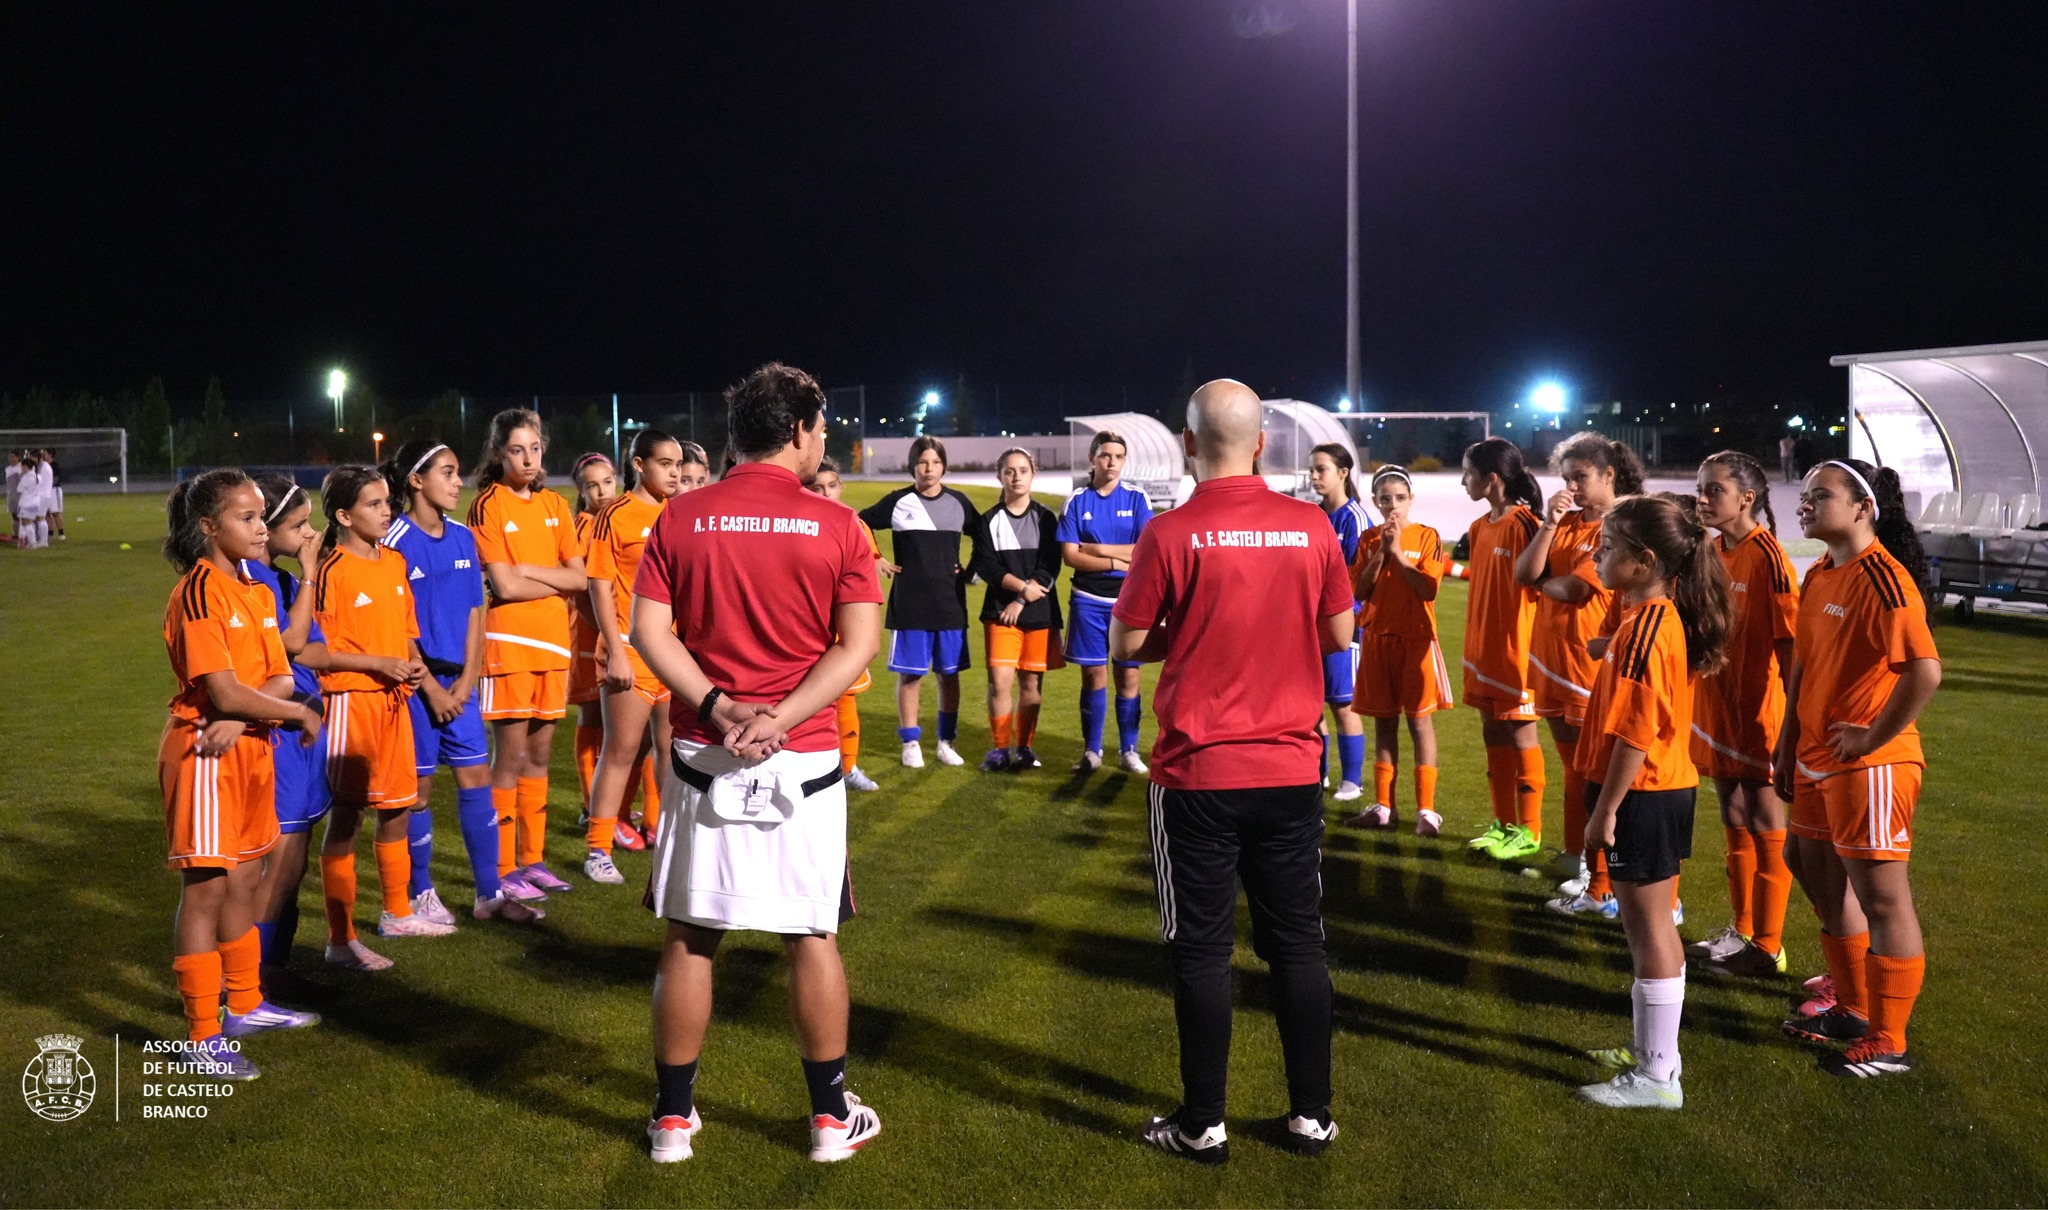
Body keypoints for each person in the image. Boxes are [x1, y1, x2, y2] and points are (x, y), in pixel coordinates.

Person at [632, 362, 884, 1164]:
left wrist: (720, 707)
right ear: (805, 430)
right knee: (811, 936)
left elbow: (650, 632)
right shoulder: (840, 526)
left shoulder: (679, 517)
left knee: (691, 938)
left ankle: (674, 1122)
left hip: (706, 752)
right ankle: (828, 1124)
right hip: (802, 759)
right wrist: (778, 716)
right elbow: (857, 647)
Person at [1109, 379, 1354, 1163]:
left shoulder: (1170, 532)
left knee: (1203, 952)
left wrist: (1184, 635)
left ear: (1186, 443)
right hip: (1289, 767)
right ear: (1260, 444)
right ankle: (1310, 1117)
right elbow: (1339, 631)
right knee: (1298, 946)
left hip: (1198, 775)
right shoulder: (1311, 524)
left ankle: (1203, 1123)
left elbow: (1126, 642)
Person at [1773, 459, 1940, 1078]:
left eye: (1820, 496)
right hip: (1816, 756)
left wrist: (1872, 734)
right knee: (1806, 863)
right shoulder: (1819, 572)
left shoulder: (1885, 580)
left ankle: (1888, 1039)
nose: (1806, 503)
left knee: (1881, 896)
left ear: (1863, 508)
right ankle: (1850, 1003)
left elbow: (1925, 671)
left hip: (1869, 763)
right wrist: (1787, 741)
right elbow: (1803, 670)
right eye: (1806, 495)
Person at [159, 470, 325, 1080]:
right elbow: (224, 691)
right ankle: (201, 1034)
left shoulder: (256, 587)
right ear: (208, 527)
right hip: (205, 757)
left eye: (262, 517)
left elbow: (278, 670)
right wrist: (288, 710)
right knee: (206, 890)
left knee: (248, 879)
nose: (261, 528)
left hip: (250, 747)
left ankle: (245, 1003)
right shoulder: (201, 591)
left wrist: (248, 710)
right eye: (246, 518)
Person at [1574, 493, 1732, 1109]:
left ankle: (1658, 1076)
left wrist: (1605, 809)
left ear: (1642, 562)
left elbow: (1636, 731)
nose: (1596, 553)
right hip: (1655, 789)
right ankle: (1653, 1055)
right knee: (1651, 927)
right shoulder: (1648, 617)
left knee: (1649, 929)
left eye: (1608, 547)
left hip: (1642, 793)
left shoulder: (1648, 625)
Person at [381, 441, 543, 924]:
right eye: (448, 473)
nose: (458, 482)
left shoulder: (463, 537)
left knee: (477, 781)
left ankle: (489, 895)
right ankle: (421, 892)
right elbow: (394, 626)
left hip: (461, 687)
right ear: (416, 480)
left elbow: (477, 611)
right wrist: (431, 687)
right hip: (415, 688)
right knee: (420, 792)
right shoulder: (394, 540)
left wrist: (467, 680)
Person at [313, 466, 442, 967]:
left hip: (394, 701)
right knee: (347, 815)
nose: (386, 510)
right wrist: (376, 664)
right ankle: (340, 938)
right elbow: (316, 652)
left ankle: (396, 911)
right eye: (373, 504)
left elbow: (405, 631)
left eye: (387, 501)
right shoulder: (331, 570)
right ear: (344, 515)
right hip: (351, 702)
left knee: (397, 807)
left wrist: (410, 667)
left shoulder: (393, 562)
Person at [467, 409, 587, 900]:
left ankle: (532, 861)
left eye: (535, 449)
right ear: (499, 453)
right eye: (517, 450)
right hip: (508, 646)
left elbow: (580, 577)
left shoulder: (556, 505)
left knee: (538, 757)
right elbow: (504, 585)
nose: (529, 458)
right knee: (510, 759)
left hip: (554, 646)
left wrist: (530, 572)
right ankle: (501, 868)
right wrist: (545, 577)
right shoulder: (487, 505)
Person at [1685, 451, 1798, 977]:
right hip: (1715, 707)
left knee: (1764, 818)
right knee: (1731, 815)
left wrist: (1790, 725)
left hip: (1759, 712)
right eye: (1701, 489)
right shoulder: (1708, 551)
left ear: (1746, 498)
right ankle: (1744, 929)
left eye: (1714, 491)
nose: (1703, 499)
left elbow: (1790, 649)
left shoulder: (1768, 557)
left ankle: (1769, 946)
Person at [1519, 434, 1639, 881]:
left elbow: (1573, 589)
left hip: (1588, 667)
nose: (1572, 486)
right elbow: (1524, 573)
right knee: (1574, 770)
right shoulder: (1566, 523)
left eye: (1581, 477)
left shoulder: (1621, 525)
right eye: (1567, 478)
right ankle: (1579, 859)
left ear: (1609, 475)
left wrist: (1545, 580)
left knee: (1597, 775)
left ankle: (1603, 877)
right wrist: (1548, 525)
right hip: (1553, 662)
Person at [581, 429, 688, 885]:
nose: (675, 472)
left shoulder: (682, 515)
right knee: (621, 750)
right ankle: (598, 849)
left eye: (678, 464)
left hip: (674, 653)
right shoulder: (615, 516)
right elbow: (598, 585)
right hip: (629, 650)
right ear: (639, 465)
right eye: (665, 463)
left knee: (670, 750)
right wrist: (615, 651)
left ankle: (666, 836)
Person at [243, 475, 340, 972]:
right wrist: (310, 573)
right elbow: (294, 643)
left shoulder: (278, 578)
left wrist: (375, 660)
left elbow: (317, 648)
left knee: (293, 861)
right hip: (278, 730)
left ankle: (273, 967)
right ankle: (250, 983)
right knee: (280, 862)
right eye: (299, 524)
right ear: (266, 525)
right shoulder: (255, 581)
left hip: (303, 726)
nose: (309, 534)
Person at [1343, 465, 1453, 834]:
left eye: (1400, 498)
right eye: (1385, 499)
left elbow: (1428, 589)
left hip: (1416, 641)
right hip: (1377, 639)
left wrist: (1399, 555)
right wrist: (1381, 554)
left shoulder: (1427, 536)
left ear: (1411, 500)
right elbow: (1358, 592)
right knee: (1384, 724)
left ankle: (1427, 809)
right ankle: (1385, 807)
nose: (1393, 506)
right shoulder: (1369, 539)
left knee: (1420, 723)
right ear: (1375, 501)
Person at [858, 436, 977, 769]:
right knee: (911, 676)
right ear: (913, 465)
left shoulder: (959, 502)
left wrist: (971, 572)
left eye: (936, 462)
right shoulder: (898, 501)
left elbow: (985, 536)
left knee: (949, 676)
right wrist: (876, 557)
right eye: (923, 462)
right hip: (910, 604)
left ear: (944, 466)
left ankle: (945, 741)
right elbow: (857, 523)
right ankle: (910, 742)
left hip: (950, 605)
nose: (930, 468)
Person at [1457, 438, 1546, 858]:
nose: (1462, 481)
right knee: (1492, 732)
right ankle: (1503, 824)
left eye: (1468, 474)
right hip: (1483, 652)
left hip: (1517, 655)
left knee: (1521, 735)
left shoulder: (1526, 524)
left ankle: (1529, 831)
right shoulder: (1478, 527)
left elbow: (1542, 588)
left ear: (1491, 479)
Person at [1061, 430, 1154, 773]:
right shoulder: (1077, 500)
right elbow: (1071, 556)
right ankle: (1092, 751)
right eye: (1104, 455)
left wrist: (1100, 550)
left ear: (1124, 460)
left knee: (1128, 677)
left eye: (1118, 456)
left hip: (1129, 601)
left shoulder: (1137, 498)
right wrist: (1118, 562)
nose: (1111, 462)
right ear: (1092, 459)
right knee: (1094, 676)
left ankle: (1129, 750)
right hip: (1087, 599)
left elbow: (1146, 551)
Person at [968, 448, 1066, 772]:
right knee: (1000, 681)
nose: (1017, 476)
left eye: (1023, 470)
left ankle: (1024, 747)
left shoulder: (1045, 518)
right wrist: (1021, 588)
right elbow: (986, 565)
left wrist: (1023, 597)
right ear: (1000, 476)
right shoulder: (989, 520)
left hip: (1037, 612)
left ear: (1032, 475)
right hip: (1000, 612)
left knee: (1031, 685)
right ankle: (999, 749)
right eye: (1010, 471)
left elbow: (1051, 565)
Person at [568, 453, 644, 848]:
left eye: (607, 482)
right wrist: (609, 634)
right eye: (592, 485)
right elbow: (585, 591)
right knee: (594, 716)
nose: (602, 491)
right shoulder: (583, 527)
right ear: (581, 492)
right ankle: (590, 805)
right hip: (591, 635)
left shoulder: (618, 518)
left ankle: (614, 808)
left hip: (617, 634)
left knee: (618, 729)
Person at [807, 457, 882, 792]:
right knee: (810, 702)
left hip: (843, 627)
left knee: (846, 699)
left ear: (841, 487)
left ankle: (848, 767)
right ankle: (814, 768)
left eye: (831, 486)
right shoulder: (799, 521)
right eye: (816, 487)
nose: (825, 493)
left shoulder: (854, 524)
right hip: (806, 628)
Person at [1307, 443, 1370, 800]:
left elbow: (1357, 581)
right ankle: (1319, 775)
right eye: (1312, 470)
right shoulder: (1313, 516)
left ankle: (1352, 780)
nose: (1314, 476)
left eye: (1321, 470)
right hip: (1311, 625)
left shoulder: (1356, 519)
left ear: (1343, 473)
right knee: (1311, 704)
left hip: (1346, 628)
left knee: (1343, 703)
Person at [42, 449, 65, 540]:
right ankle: (50, 532)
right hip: (45, 491)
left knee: (56, 512)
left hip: (54, 490)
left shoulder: (54, 466)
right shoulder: (42, 466)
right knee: (46, 513)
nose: (43, 455)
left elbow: (56, 479)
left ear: (50, 455)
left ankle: (61, 533)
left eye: (45, 454)